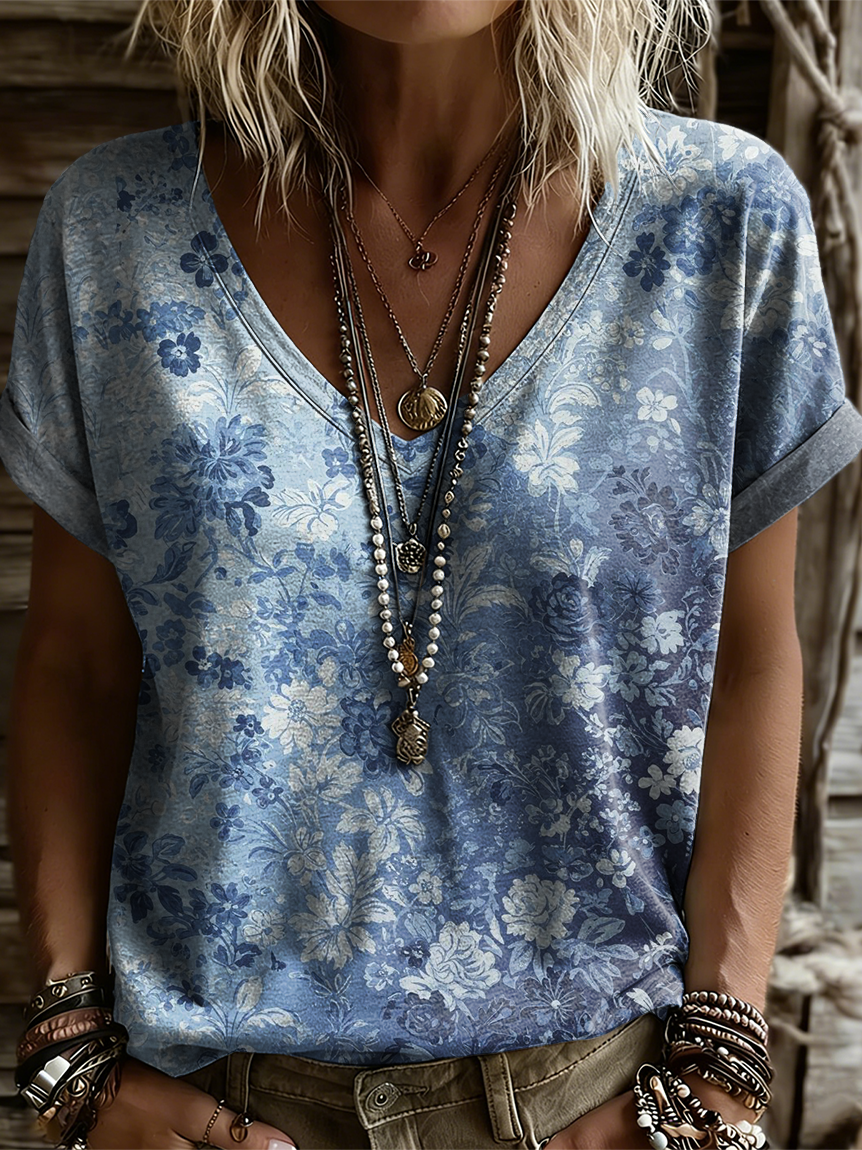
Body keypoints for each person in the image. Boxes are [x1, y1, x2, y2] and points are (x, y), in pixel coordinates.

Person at [4, 0, 862, 1147]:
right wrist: (71, 1063)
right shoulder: (115, 231)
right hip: (216, 1098)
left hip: (599, 1097)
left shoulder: (721, 220)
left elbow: (750, 657)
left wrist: (718, 1075)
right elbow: (74, 667)